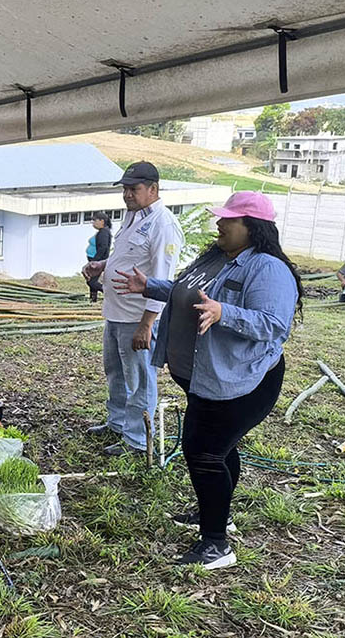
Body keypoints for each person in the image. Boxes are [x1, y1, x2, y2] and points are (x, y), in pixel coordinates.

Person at [113, 191, 301, 569]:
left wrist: (224, 313)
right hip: (204, 377)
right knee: (220, 449)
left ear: (252, 227)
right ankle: (217, 515)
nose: (220, 224)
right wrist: (150, 286)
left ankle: (216, 545)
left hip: (240, 382)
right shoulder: (216, 257)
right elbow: (188, 292)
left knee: (203, 452)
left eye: (229, 219)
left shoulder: (267, 268)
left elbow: (274, 324)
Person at [81, 162, 183, 456]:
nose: (127, 194)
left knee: (139, 380)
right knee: (115, 373)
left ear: (153, 189)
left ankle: (137, 441)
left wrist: (146, 324)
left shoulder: (163, 224)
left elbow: (162, 279)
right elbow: (129, 257)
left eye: (133, 189)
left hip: (138, 317)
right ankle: (118, 423)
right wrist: (104, 265)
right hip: (116, 312)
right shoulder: (133, 217)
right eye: (125, 189)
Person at [85, 212, 112, 302]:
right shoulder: (101, 231)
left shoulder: (104, 232)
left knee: (91, 282)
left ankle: (108, 293)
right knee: (91, 279)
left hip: (97, 261)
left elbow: (103, 248)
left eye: (95, 220)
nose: (93, 223)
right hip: (94, 259)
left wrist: (95, 261)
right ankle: (93, 299)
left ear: (102, 221)